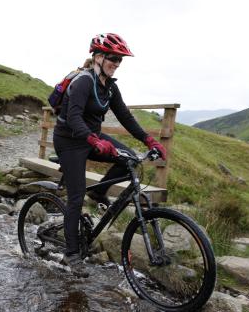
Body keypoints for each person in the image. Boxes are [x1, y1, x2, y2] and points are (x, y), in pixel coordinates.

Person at [52, 33, 167, 277]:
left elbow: (125, 117)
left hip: (91, 137)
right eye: (113, 58)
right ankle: (71, 254)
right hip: (70, 141)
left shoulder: (111, 88)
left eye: (120, 60)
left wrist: (149, 140)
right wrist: (93, 139)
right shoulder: (84, 81)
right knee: (75, 197)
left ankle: (98, 192)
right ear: (98, 57)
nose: (116, 63)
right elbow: (72, 117)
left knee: (130, 160)